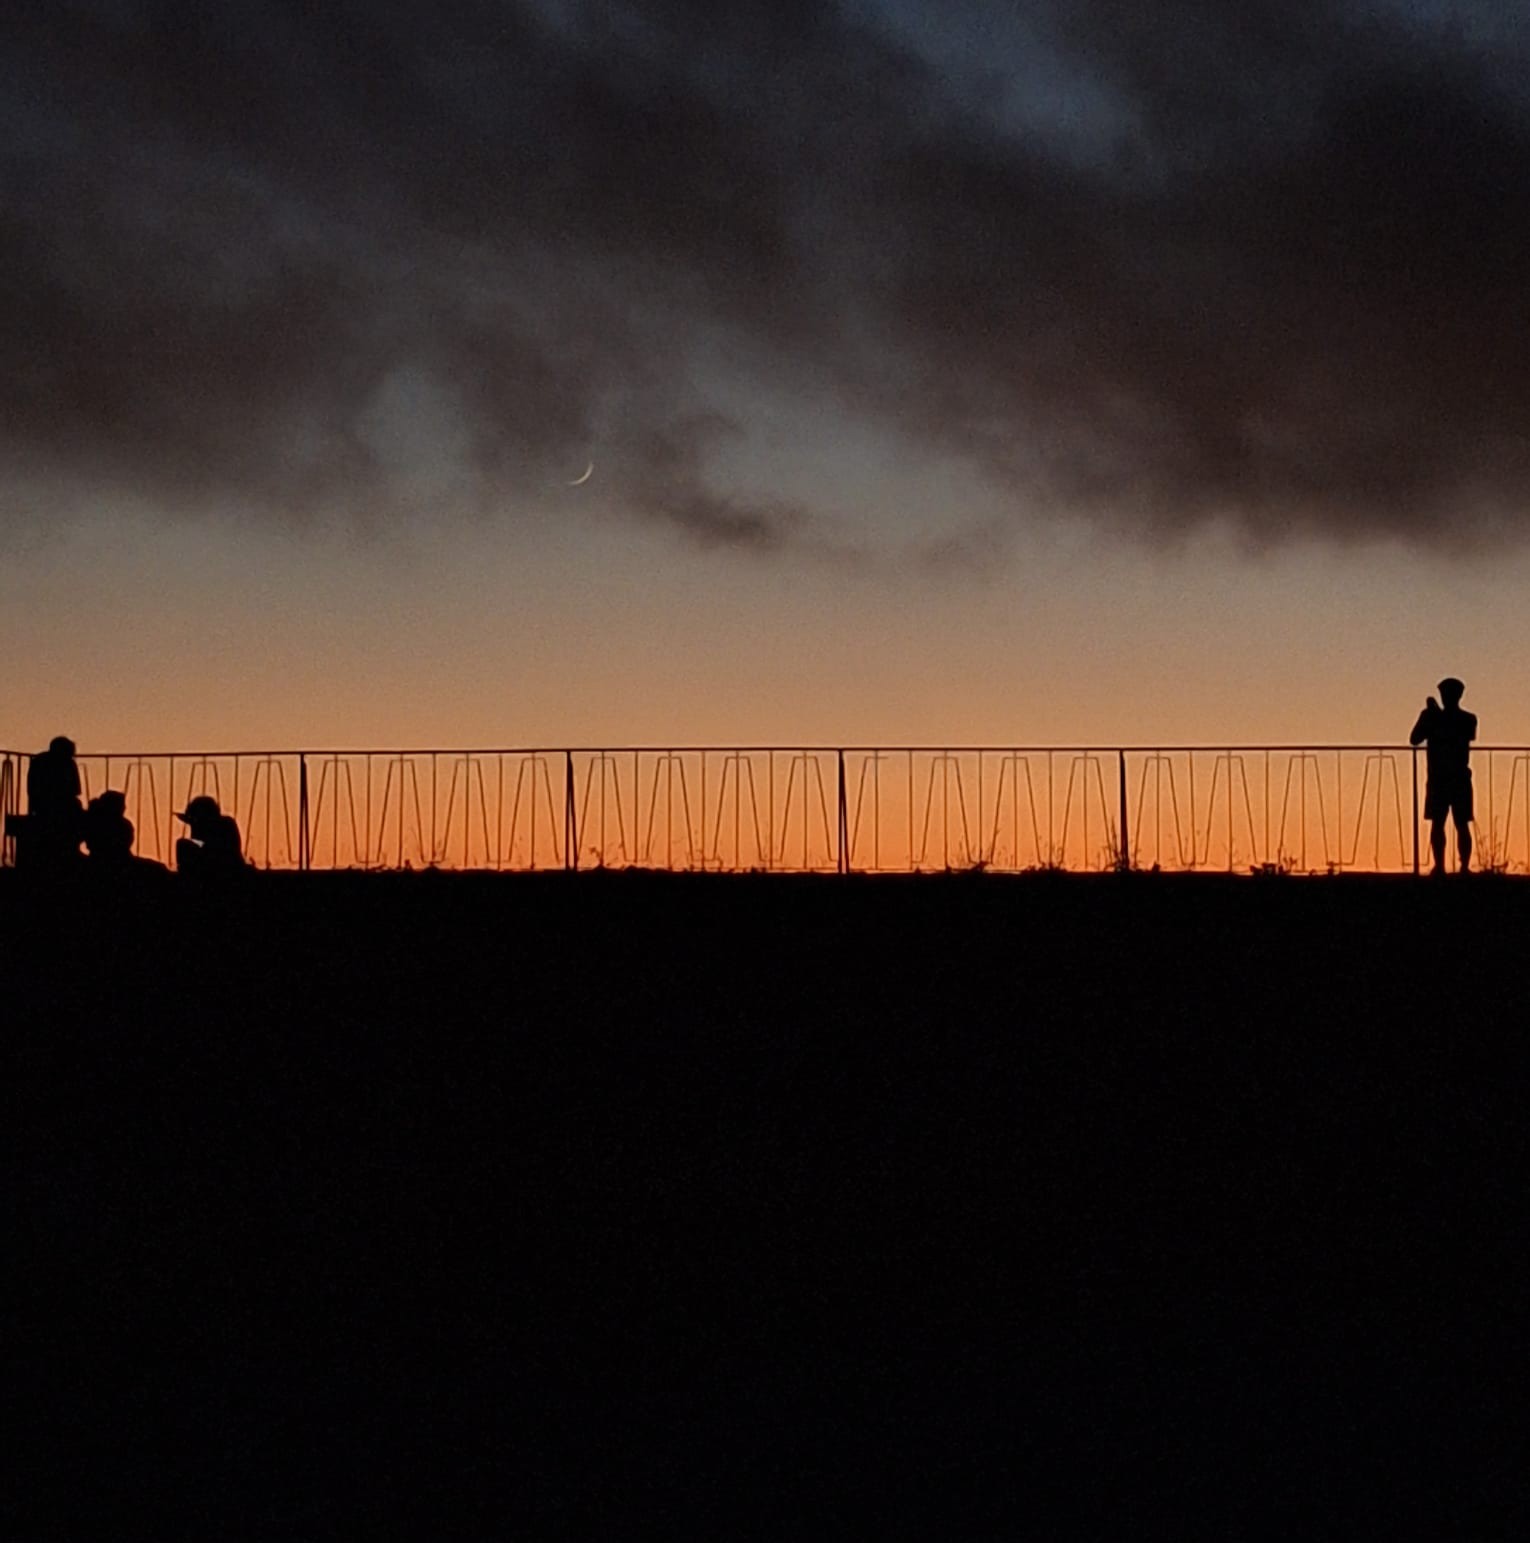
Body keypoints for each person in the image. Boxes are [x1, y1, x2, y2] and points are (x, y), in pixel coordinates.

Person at [1410, 677, 1477, 875]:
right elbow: (1415, 739)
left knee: (1456, 823)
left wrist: (1434, 716)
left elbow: (1416, 739)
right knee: (1447, 823)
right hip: (1450, 778)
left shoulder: (1464, 719)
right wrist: (1431, 716)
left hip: (1448, 778)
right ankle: (1447, 866)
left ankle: (1453, 866)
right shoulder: (1461, 718)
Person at [19, 735, 84, 870]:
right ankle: (71, 850)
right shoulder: (68, 764)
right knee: (76, 811)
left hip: (41, 806)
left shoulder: (38, 761)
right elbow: (75, 790)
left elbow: (32, 788)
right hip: (56, 807)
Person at [175, 795, 246, 875]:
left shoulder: (225, 825)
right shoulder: (224, 824)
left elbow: (218, 850)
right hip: (219, 866)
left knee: (183, 844)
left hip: (226, 868)